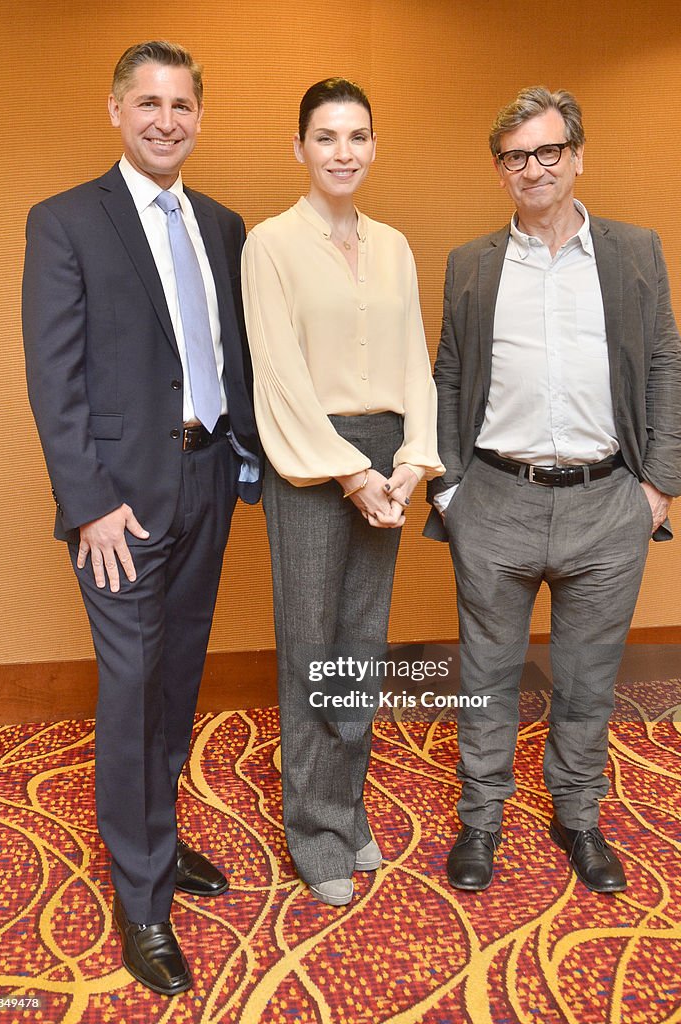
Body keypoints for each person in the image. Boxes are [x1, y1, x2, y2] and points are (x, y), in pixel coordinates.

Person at [22, 41, 261, 995]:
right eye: (148, 102)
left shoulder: (222, 223)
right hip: (117, 507)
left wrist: (248, 454)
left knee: (175, 681)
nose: (167, 119)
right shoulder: (66, 221)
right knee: (129, 693)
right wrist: (88, 506)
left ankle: (157, 846)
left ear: (200, 115)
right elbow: (55, 375)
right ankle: (141, 900)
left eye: (182, 105)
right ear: (116, 110)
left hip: (206, 484)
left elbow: (226, 353)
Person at [425, 86, 681, 894]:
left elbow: (664, 362)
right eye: (515, 156)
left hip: (606, 502)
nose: (532, 168)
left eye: (547, 152)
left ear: (576, 156)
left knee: (585, 680)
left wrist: (659, 484)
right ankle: (480, 818)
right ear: (499, 168)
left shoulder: (633, 250)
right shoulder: (470, 264)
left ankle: (576, 815)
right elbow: (449, 376)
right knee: (485, 676)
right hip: (494, 501)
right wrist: (450, 491)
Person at [241, 78, 443, 906]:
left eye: (357, 136)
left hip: (385, 455)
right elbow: (278, 377)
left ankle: (342, 804)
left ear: (373, 146)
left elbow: (414, 359)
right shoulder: (271, 245)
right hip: (312, 460)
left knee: (360, 646)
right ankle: (314, 830)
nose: (342, 153)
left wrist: (412, 462)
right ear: (299, 148)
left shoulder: (393, 245)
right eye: (325, 137)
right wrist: (351, 473)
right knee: (313, 649)